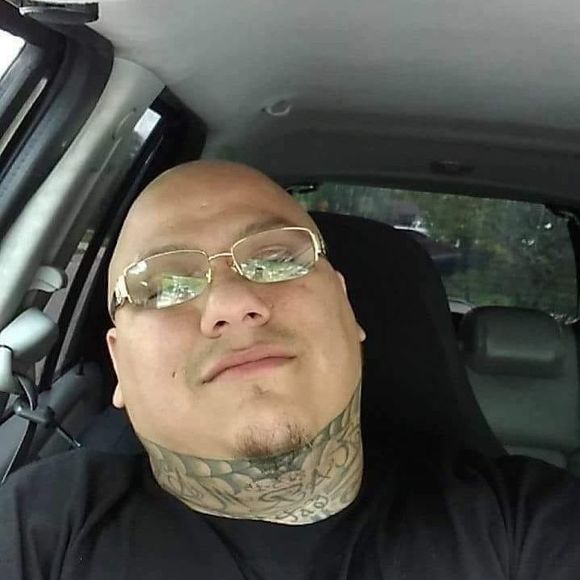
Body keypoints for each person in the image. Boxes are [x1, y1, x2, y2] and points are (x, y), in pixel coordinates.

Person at [1, 160, 580, 580]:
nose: (232, 304)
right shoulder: (38, 527)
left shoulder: (525, 522)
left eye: (276, 258)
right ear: (119, 362)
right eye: (166, 285)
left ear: (347, 309)